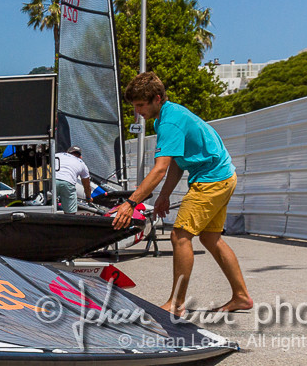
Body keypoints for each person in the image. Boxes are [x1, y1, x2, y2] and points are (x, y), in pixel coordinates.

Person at [112, 72, 252, 314]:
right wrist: (165, 195)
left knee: (180, 237)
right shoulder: (166, 117)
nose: (137, 112)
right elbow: (177, 160)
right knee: (210, 238)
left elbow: (159, 169)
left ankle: (176, 304)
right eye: (134, 106)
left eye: (141, 105)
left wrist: (130, 204)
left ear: (157, 98)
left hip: (212, 180)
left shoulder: (169, 121)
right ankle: (241, 296)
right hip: (223, 175)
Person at [53, 146, 94, 212]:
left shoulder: (58, 155)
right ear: (80, 156)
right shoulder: (82, 163)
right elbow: (87, 186)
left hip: (53, 182)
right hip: (68, 184)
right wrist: (88, 198)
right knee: (70, 212)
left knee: (50, 204)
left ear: (67, 152)